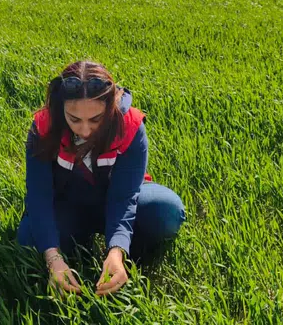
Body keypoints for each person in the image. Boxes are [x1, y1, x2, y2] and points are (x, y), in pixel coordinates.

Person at [17, 61, 186, 296]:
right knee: (28, 239)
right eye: (74, 119)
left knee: (166, 212)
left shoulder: (130, 126)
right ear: (60, 107)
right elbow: (39, 197)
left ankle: (120, 251)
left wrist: (117, 251)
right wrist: (53, 259)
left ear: (109, 108)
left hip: (115, 198)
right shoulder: (43, 127)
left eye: (95, 119)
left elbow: (125, 197)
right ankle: (76, 241)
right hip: (68, 204)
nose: (85, 130)